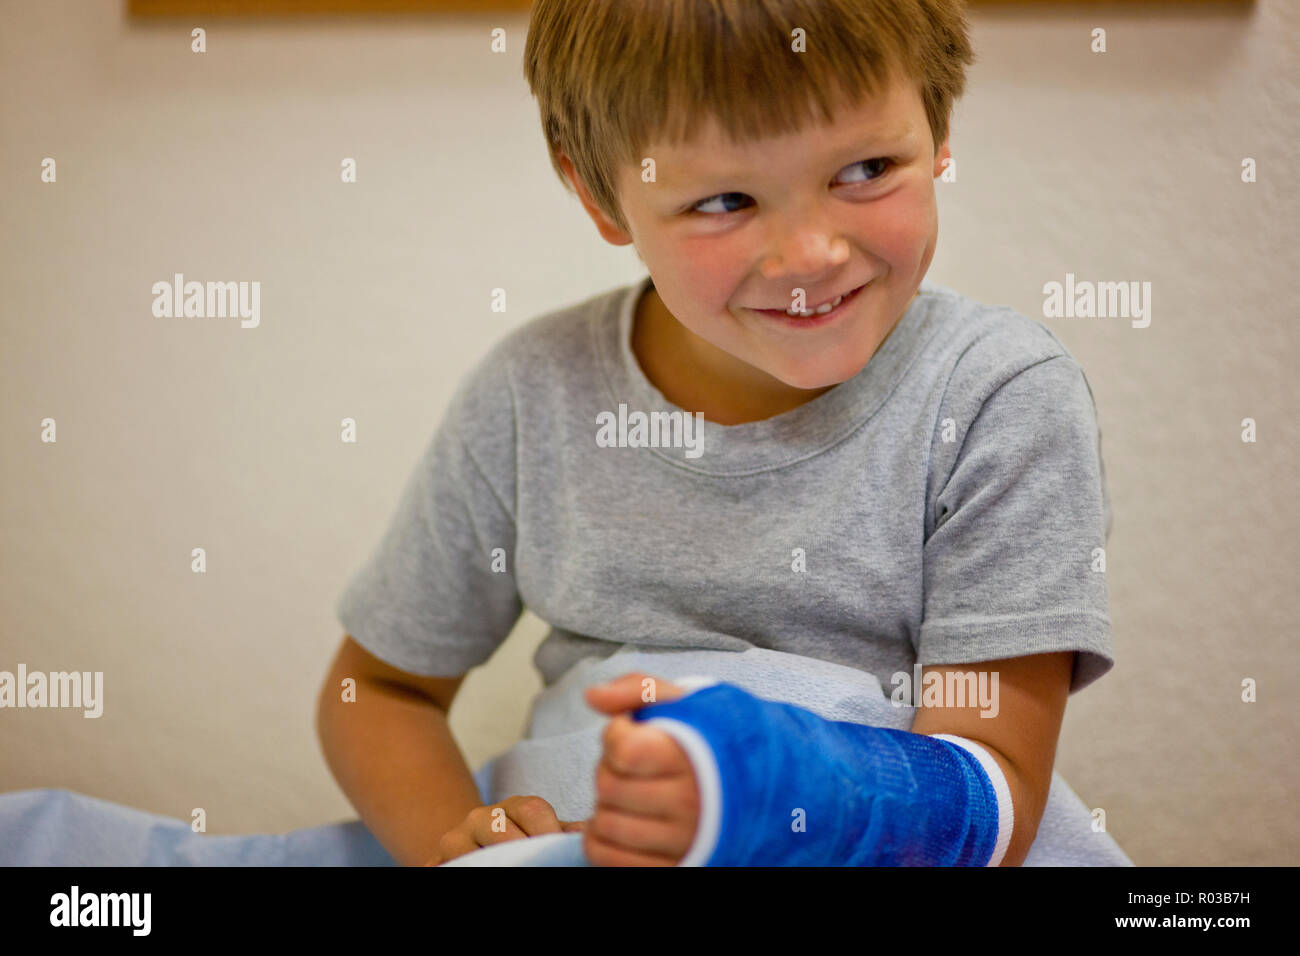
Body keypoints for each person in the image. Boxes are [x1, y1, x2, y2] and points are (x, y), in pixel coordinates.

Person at [320, 0, 1127, 867]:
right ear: (600, 196)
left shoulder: (995, 397)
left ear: (938, 130)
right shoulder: (533, 393)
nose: (811, 253)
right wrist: (466, 852)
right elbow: (378, 691)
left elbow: (992, 788)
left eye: (865, 168)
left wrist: (773, 795)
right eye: (723, 200)